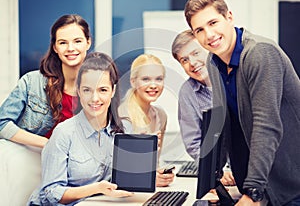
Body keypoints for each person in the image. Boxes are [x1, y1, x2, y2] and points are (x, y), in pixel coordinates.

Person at [184, 0, 300, 205]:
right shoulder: (214, 62)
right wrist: (212, 177)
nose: (209, 35)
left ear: (229, 17)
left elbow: (266, 126)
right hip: (261, 184)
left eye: (213, 23)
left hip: (291, 183)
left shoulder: (260, 54)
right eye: (199, 30)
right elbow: (223, 123)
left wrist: (253, 191)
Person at [0, 14, 92, 205]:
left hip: (77, 173)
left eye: (77, 41)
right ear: (55, 47)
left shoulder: (97, 90)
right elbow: (2, 124)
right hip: (33, 167)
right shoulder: (32, 82)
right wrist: (47, 144)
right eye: (63, 42)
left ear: (88, 43)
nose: (71, 48)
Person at [28, 52, 133, 205]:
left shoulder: (124, 129)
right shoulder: (64, 132)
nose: (94, 98)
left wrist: (147, 177)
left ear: (113, 91)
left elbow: (124, 178)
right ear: (78, 91)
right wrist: (97, 188)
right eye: (87, 90)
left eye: (102, 90)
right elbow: (50, 193)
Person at [172, 29, 235, 186]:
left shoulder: (233, 77)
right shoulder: (187, 92)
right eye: (184, 60)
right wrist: (219, 169)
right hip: (221, 176)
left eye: (196, 53)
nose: (192, 63)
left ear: (208, 50)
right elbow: (194, 143)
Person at [118, 53, 174, 187]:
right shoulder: (122, 116)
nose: (153, 85)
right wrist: (147, 178)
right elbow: (118, 170)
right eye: (146, 79)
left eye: (159, 79)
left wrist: (159, 174)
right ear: (133, 81)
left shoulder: (161, 115)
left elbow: (154, 163)